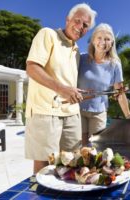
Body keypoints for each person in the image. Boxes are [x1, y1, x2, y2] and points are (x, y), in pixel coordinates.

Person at [24, 3, 97, 174]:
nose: (80, 27)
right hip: (45, 111)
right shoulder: (48, 34)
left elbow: (67, 83)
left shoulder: (77, 50)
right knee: (45, 166)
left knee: (72, 163)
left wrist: (78, 93)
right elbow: (32, 67)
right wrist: (62, 89)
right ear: (67, 19)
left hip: (71, 114)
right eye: (77, 21)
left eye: (85, 25)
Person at [78, 23, 130, 146]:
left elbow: (120, 94)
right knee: (80, 150)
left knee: (95, 150)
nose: (103, 42)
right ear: (93, 40)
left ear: (112, 42)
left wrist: (129, 118)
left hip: (99, 112)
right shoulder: (80, 58)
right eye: (99, 38)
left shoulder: (115, 64)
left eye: (107, 39)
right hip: (77, 111)